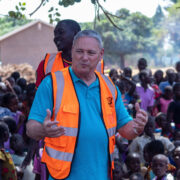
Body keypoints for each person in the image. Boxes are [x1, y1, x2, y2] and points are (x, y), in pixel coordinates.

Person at [26, 30, 148, 180]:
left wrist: (137, 127)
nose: (84, 58)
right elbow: (31, 128)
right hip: (63, 176)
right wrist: (42, 130)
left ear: (101, 54)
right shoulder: (52, 84)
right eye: (79, 51)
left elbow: (125, 129)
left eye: (91, 53)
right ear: (72, 51)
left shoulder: (109, 87)